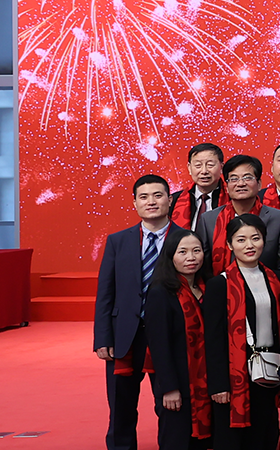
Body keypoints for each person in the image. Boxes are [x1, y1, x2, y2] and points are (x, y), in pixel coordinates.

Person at [96, 174, 181, 450]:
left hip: (168, 336)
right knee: (120, 406)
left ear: (169, 199)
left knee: (170, 405)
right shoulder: (118, 241)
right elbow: (106, 292)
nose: (151, 202)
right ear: (134, 203)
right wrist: (103, 338)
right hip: (125, 336)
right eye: (143, 197)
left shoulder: (184, 239)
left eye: (158, 195)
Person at [204, 214, 280, 450]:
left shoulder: (277, 279)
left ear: (264, 241)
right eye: (241, 240)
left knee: (265, 434)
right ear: (229, 245)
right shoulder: (219, 284)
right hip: (234, 374)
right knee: (233, 440)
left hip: (268, 369)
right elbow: (213, 338)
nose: (249, 245)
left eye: (255, 238)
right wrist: (218, 385)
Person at [144, 229, 211, 450]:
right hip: (178, 382)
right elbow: (159, 345)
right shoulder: (161, 292)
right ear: (170, 255)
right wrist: (169, 388)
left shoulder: (208, 287)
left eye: (196, 251)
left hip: (206, 381)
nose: (191, 257)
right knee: (176, 440)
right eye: (182, 252)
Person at [194, 154, 280, 269]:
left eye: (247, 178)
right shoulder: (208, 220)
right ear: (227, 187)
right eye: (234, 179)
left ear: (259, 184)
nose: (240, 184)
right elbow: (202, 266)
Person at [172, 143, 225, 229]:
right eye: (198, 165)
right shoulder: (174, 201)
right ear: (189, 168)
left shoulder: (233, 199)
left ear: (221, 167)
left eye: (210, 165)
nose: (204, 171)